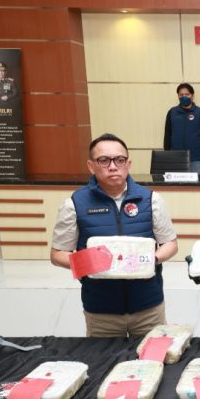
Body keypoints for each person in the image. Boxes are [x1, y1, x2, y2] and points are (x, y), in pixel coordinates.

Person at [50, 133, 178, 337]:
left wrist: (150, 260)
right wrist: (88, 262)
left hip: (148, 307)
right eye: (104, 160)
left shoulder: (151, 200)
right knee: (104, 358)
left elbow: (170, 244)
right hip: (101, 311)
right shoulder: (74, 204)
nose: (112, 166)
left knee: (151, 356)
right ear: (91, 166)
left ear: (128, 164)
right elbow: (57, 254)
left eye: (119, 160)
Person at [164, 82, 200, 174]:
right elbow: (167, 135)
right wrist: (167, 156)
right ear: (178, 96)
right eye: (181, 95)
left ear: (192, 96)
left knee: (196, 183)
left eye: (187, 94)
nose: (184, 97)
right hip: (176, 158)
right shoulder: (172, 112)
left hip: (196, 159)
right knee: (176, 183)